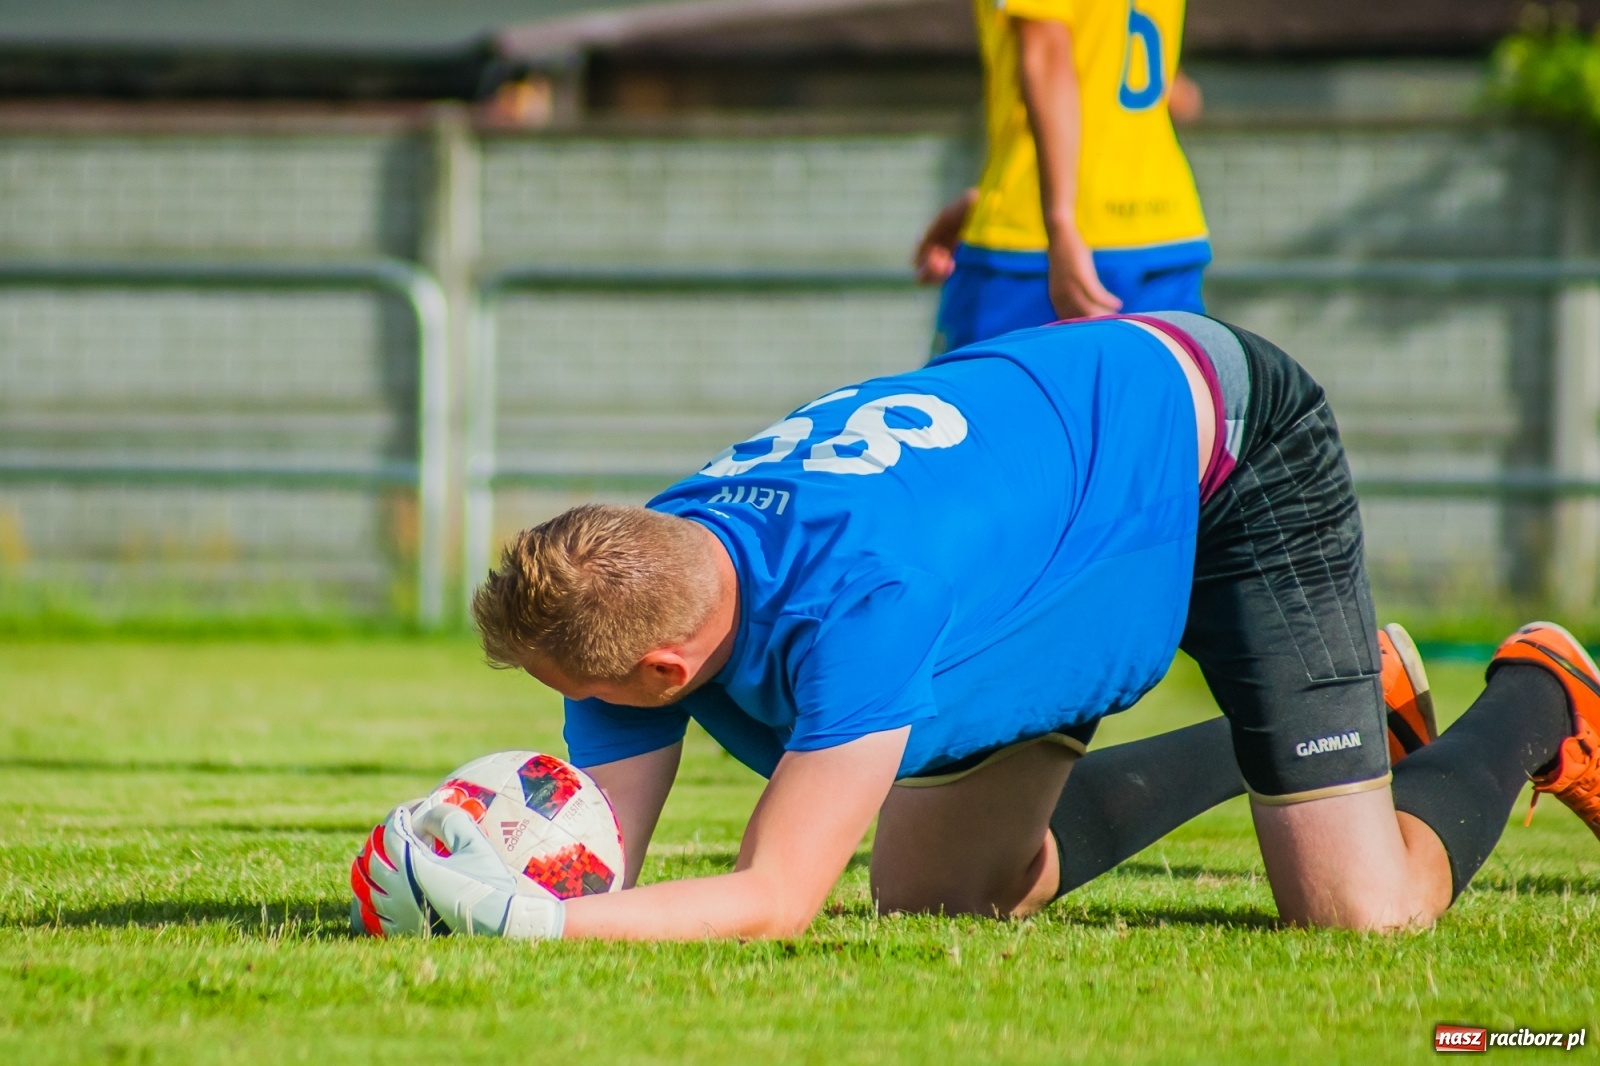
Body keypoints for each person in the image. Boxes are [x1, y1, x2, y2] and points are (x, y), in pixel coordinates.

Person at [352, 312, 1600, 941]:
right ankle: (1327, 709)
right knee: (943, 899)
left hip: (1232, 447)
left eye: (573, 690)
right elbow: (602, 847)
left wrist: (534, 921)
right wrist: (473, 846)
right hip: (1061, 514)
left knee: (1357, 912)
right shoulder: (643, 565)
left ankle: (1539, 696)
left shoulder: (859, 609)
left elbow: (775, 893)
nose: (569, 708)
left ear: (667, 671)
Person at [915, 0, 1211, 353]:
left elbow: (1047, 55)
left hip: (1039, 249)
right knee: (1155, 404)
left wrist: (1059, 220)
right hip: (1166, 234)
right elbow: (1170, 90)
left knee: (981, 405)